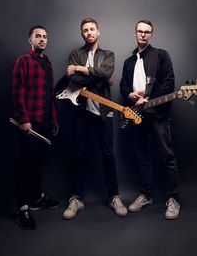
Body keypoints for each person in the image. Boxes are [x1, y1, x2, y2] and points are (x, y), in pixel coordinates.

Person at [57, 18, 127, 219]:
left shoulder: (109, 55)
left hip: (104, 111)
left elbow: (105, 71)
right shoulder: (75, 54)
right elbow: (74, 80)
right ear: (82, 34)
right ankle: (76, 198)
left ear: (98, 32)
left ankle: (114, 196)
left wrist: (79, 69)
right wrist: (99, 77)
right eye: (85, 30)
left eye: (92, 29)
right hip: (81, 112)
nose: (89, 32)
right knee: (79, 154)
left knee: (108, 155)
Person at [120, 19, 180, 219]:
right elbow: (123, 86)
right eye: (140, 31)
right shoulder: (128, 62)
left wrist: (148, 99)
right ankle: (146, 195)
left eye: (147, 32)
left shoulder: (161, 55)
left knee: (167, 155)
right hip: (136, 116)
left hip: (157, 113)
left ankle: (173, 198)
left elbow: (169, 83)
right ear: (135, 33)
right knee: (142, 156)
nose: (143, 34)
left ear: (151, 35)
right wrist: (130, 94)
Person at [12, 25, 60, 230]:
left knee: (39, 163)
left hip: (45, 123)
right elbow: (17, 91)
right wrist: (23, 119)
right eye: (38, 36)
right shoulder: (23, 61)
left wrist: (54, 120)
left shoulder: (47, 64)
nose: (42, 39)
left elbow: (50, 95)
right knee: (25, 165)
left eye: (45, 37)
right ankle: (22, 208)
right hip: (29, 122)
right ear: (29, 40)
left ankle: (37, 199)